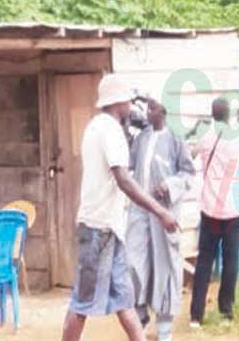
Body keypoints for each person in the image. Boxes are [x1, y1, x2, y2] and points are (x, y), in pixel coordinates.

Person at [61, 75, 179, 341]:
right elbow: (124, 181)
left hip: (110, 229)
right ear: (119, 103)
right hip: (97, 230)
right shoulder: (110, 131)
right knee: (82, 304)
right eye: (128, 100)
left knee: (124, 300)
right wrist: (161, 212)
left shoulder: (97, 126)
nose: (132, 106)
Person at [189, 98, 239, 326]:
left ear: (212, 114)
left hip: (210, 209)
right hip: (232, 211)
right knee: (231, 261)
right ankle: (225, 312)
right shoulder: (236, 138)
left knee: (203, 262)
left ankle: (196, 316)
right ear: (227, 114)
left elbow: (190, 153)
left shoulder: (206, 137)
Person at [126, 99, 195, 341]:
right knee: (133, 263)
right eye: (147, 108)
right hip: (138, 212)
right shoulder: (142, 138)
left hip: (163, 214)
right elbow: (128, 168)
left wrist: (170, 185)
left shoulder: (176, 139)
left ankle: (164, 328)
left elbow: (188, 173)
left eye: (153, 108)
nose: (148, 112)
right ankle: (140, 315)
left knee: (164, 267)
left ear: (163, 112)